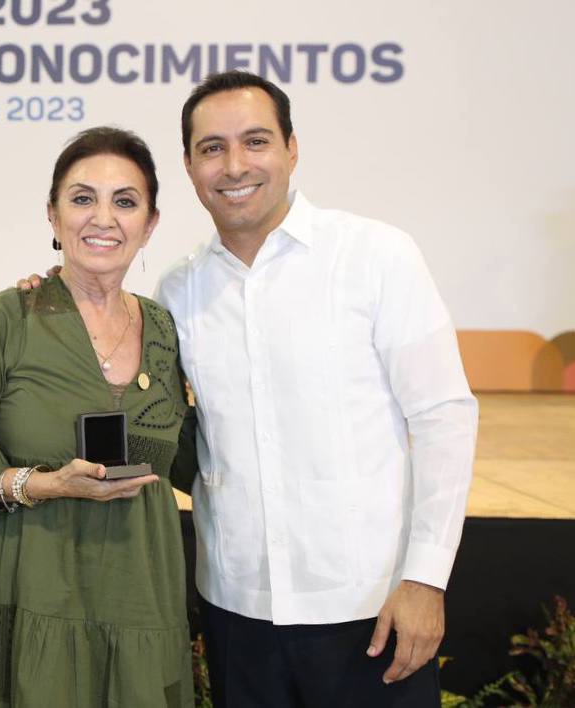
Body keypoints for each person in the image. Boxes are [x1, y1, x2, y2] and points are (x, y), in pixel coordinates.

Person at [154, 71, 479, 707]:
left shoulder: (376, 256)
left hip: (372, 611)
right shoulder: (178, 289)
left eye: (256, 141)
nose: (234, 165)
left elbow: (443, 416)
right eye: (212, 148)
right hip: (237, 614)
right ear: (189, 166)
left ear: (292, 148)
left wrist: (425, 578)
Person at [0, 126, 197, 707]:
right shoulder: (6, 320)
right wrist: (44, 484)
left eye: (125, 201)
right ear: (53, 214)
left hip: (140, 607)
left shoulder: (167, 329)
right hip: (23, 604)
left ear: (150, 223)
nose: (103, 218)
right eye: (82, 198)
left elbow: (197, 456)